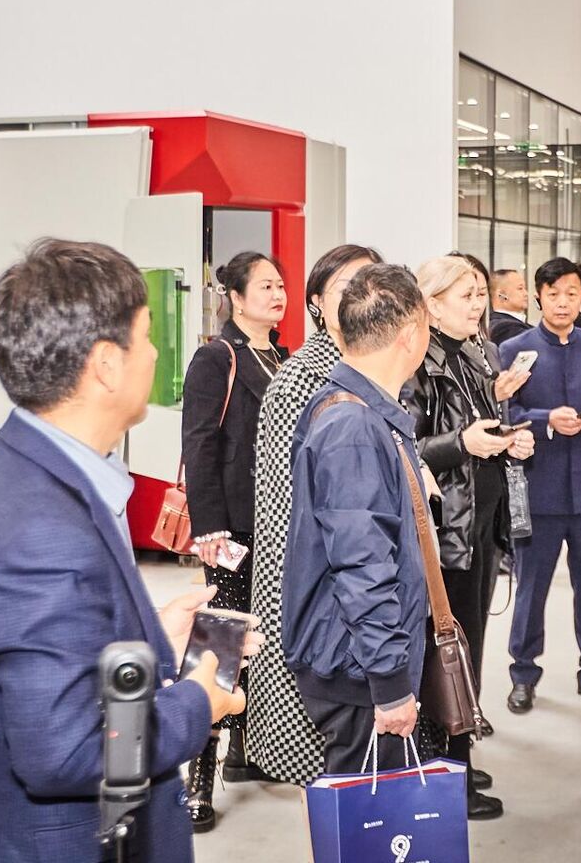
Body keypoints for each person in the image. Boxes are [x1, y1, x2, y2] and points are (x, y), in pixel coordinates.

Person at [0, 239, 250, 863]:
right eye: (146, 337)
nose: (156, 354)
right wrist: (196, 703)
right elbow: (67, 750)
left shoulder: (6, 467)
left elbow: (51, 655)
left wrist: (152, 638)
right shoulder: (41, 529)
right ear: (105, 365)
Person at [282, 263, 433, 774]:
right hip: (358, 668)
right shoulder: (353, 426)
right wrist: (389, 683)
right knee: (370, 812)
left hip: (358, 658)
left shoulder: (362, 410)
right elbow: (363, 565)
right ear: (410, 334)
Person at [245, 244, 382, 786]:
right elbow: (286, 509)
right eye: (346, 287)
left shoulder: (368, 368)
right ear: (318, 303)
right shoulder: (303, 378)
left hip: (359, 582)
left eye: (369, 284)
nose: (360, 297)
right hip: (313, 589)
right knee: (323, 757)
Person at [405, 255, 536, 819]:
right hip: (446, 532)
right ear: (431, 305)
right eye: (466, 295)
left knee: (470, 646)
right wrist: (464, 443)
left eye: (481, 293)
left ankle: (456, 756)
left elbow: (481, 428)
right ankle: (447, 773)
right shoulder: (417, 362)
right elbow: (405, 447)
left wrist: (509, 440)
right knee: (449, 654)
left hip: (479, 523)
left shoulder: (477, 352)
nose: (479, 304)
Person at [179, 250, 289, 828]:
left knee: (261, 641)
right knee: (220, 644)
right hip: (233, 526)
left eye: (281, 285)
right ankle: (198, 777)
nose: (277, 294)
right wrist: (209, 526)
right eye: (265, 286)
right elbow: (199, 442)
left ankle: (247, 752)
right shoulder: (217, 357)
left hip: (277, 524)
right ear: (237, 298)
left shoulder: (284, 358)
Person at [499, 257, 581, 715]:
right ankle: (523, 674)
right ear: (539, 297)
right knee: (531, 587)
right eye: (553, 294)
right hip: (539, 487)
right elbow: (506, 412)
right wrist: (546, 420)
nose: (562, 302)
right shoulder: (514, 349)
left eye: (571, 294)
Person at [487, 269, 529, 345]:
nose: (526, 293)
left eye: (525, 288)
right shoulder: (504, 328)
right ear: (501, 295)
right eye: (520, 288)